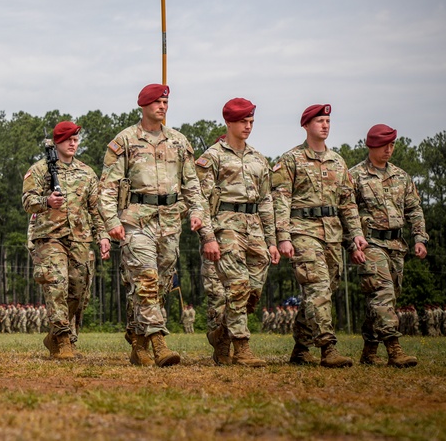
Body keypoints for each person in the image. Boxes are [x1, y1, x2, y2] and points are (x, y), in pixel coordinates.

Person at [99, 84, 217, 367]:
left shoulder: (178, 141)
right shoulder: (125, 141)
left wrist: (197, 213)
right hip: (136, 221)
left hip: (170, 222)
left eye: (165, 101)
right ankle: (159, 343)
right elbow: (107, 187)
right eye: (157, 102)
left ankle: (138, 342)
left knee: (158, 286)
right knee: (147, 280)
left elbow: (192, 184)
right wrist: (112, 221)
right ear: (143, 105)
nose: (162, 106)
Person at [273, 104, 368, 368]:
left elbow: (348, 203)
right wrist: (283, 236)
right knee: (317, 288)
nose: (325, 125)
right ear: (306, 126)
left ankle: (301, 348)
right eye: (319, 121)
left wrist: (356, 235)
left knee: (324, 290)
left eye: (327, 120)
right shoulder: (290, 160)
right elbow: (281, 200)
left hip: (332, 234)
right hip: (302, 231)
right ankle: (328, 347)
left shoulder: (338, 161)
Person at [195, 98, 279, 367]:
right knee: (238, 286)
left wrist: (272, 240)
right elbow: (200, 200)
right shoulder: (212, 157)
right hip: (225, 226)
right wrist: (208, 237)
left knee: (252, 291)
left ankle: (221, 336)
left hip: (254, 227)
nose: (248, 126)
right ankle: (242, 348)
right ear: (229, 123)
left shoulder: (258, 158)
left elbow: (266, 200)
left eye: (251, 121)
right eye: (243, 121)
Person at [22, 120, 110, 359]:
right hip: (49, 237)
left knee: (79, 291)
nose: (73, 143)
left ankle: (57, 335)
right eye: (68, 139)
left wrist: (102, 236)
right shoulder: (40, 170)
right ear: (57, 142)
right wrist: (46, 202)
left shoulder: (87, 172)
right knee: (56, 285)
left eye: (76, 139)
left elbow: (95, 209)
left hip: (80, 238)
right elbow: (27, 201)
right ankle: (62, 339)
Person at [350, 124, 428, 367]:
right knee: (382, 295)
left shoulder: (401, 176)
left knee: (386, 298)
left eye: (392, 145)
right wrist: (352, 242)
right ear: (371, 145)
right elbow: (347, 211)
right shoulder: (355, 176)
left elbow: (414, 209)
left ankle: (369, 351)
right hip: (370, 243)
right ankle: (394, 350)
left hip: (397, 244)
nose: (389, 149)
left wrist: (420, 238)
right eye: (384, 145)